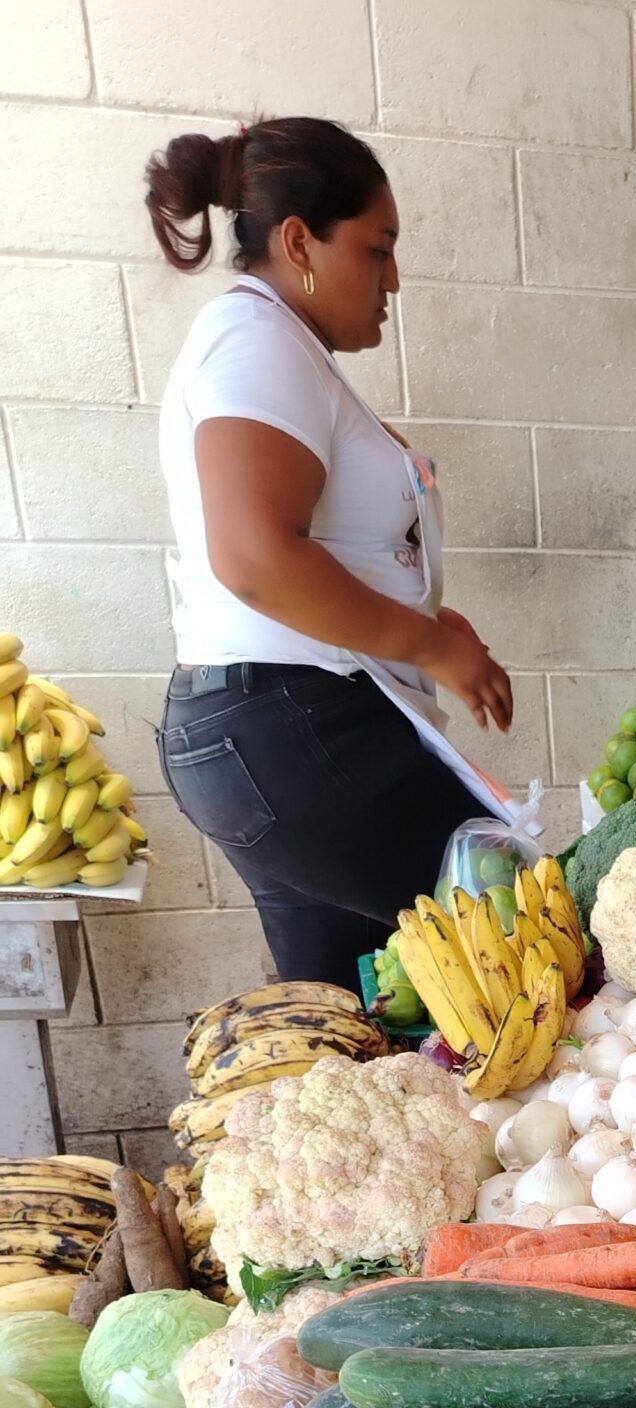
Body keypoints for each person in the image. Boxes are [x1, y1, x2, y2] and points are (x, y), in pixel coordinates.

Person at [147, 117, 516, 987]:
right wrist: (429, 644)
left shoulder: (281, 347)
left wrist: (425, 617)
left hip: (264, 735)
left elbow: (307, 549)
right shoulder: (255, 341)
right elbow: (252, 554)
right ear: (298, 240)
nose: (393, 278)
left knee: (339, 1012)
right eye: (376, 249)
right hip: (292, 725)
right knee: (523, 940)